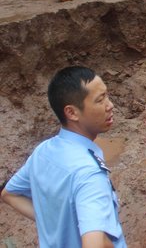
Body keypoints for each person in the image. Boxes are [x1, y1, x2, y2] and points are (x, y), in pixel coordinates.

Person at [1, 66, 126, 247]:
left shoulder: (42, 152)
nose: (110, 105)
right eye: (100, 100)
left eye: (106, 95)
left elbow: (9, 194)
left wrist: (56, 224)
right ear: (72, 112)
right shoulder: (89, 174)